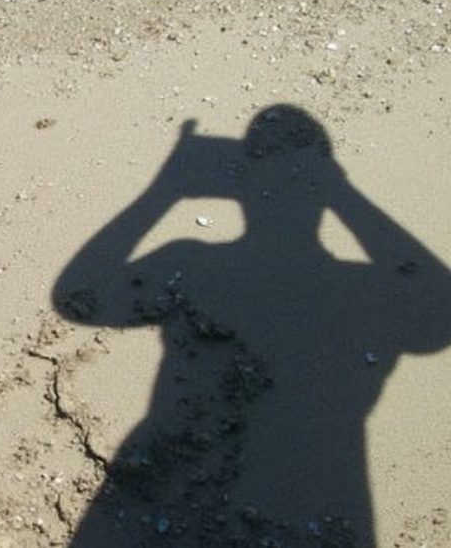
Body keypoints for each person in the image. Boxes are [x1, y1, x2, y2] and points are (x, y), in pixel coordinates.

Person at [53, 105, 451, 547]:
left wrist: (166, 191)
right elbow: (438, 314)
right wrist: (340, 192)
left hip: (178, 485)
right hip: (325, 496)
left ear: (241, 188)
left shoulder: (193, 263)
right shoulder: (361, 287)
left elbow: (79, 297)